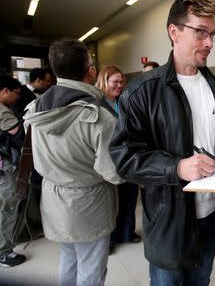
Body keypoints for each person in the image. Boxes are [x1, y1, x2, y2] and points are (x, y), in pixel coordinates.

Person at [109, 0, 215, 286]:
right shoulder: (141, 92)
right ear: (174, 32)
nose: (209, 42)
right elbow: (124, 157)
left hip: (211, 215)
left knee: (201, 280)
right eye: (201, 32)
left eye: (212, 34)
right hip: (168, 221)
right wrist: (176, 167)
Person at [24, 39, 123, 286]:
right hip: (90, 205)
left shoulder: (36, 107)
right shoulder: (99, 116)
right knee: (91, 268)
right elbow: (113, 173)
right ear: (90, 70)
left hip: (54, 199)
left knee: (68, 258)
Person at [95, 65, 141, 254]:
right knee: (111, 203)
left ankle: (127, 233)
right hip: (108, 160)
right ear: (104, 82)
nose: (120, 85)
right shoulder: (97, 104)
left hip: (129, 157)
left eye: (122, 81)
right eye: (115, 82)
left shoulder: (125, 100)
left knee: (129, 197)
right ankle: (110, 239)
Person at [0, 74, 26, 268]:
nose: (17, 98)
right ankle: (4, 252)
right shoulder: (2, 111)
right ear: (5, 90)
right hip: (4, 166)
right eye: (15, 94)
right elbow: (19, 136)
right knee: (7, 206)